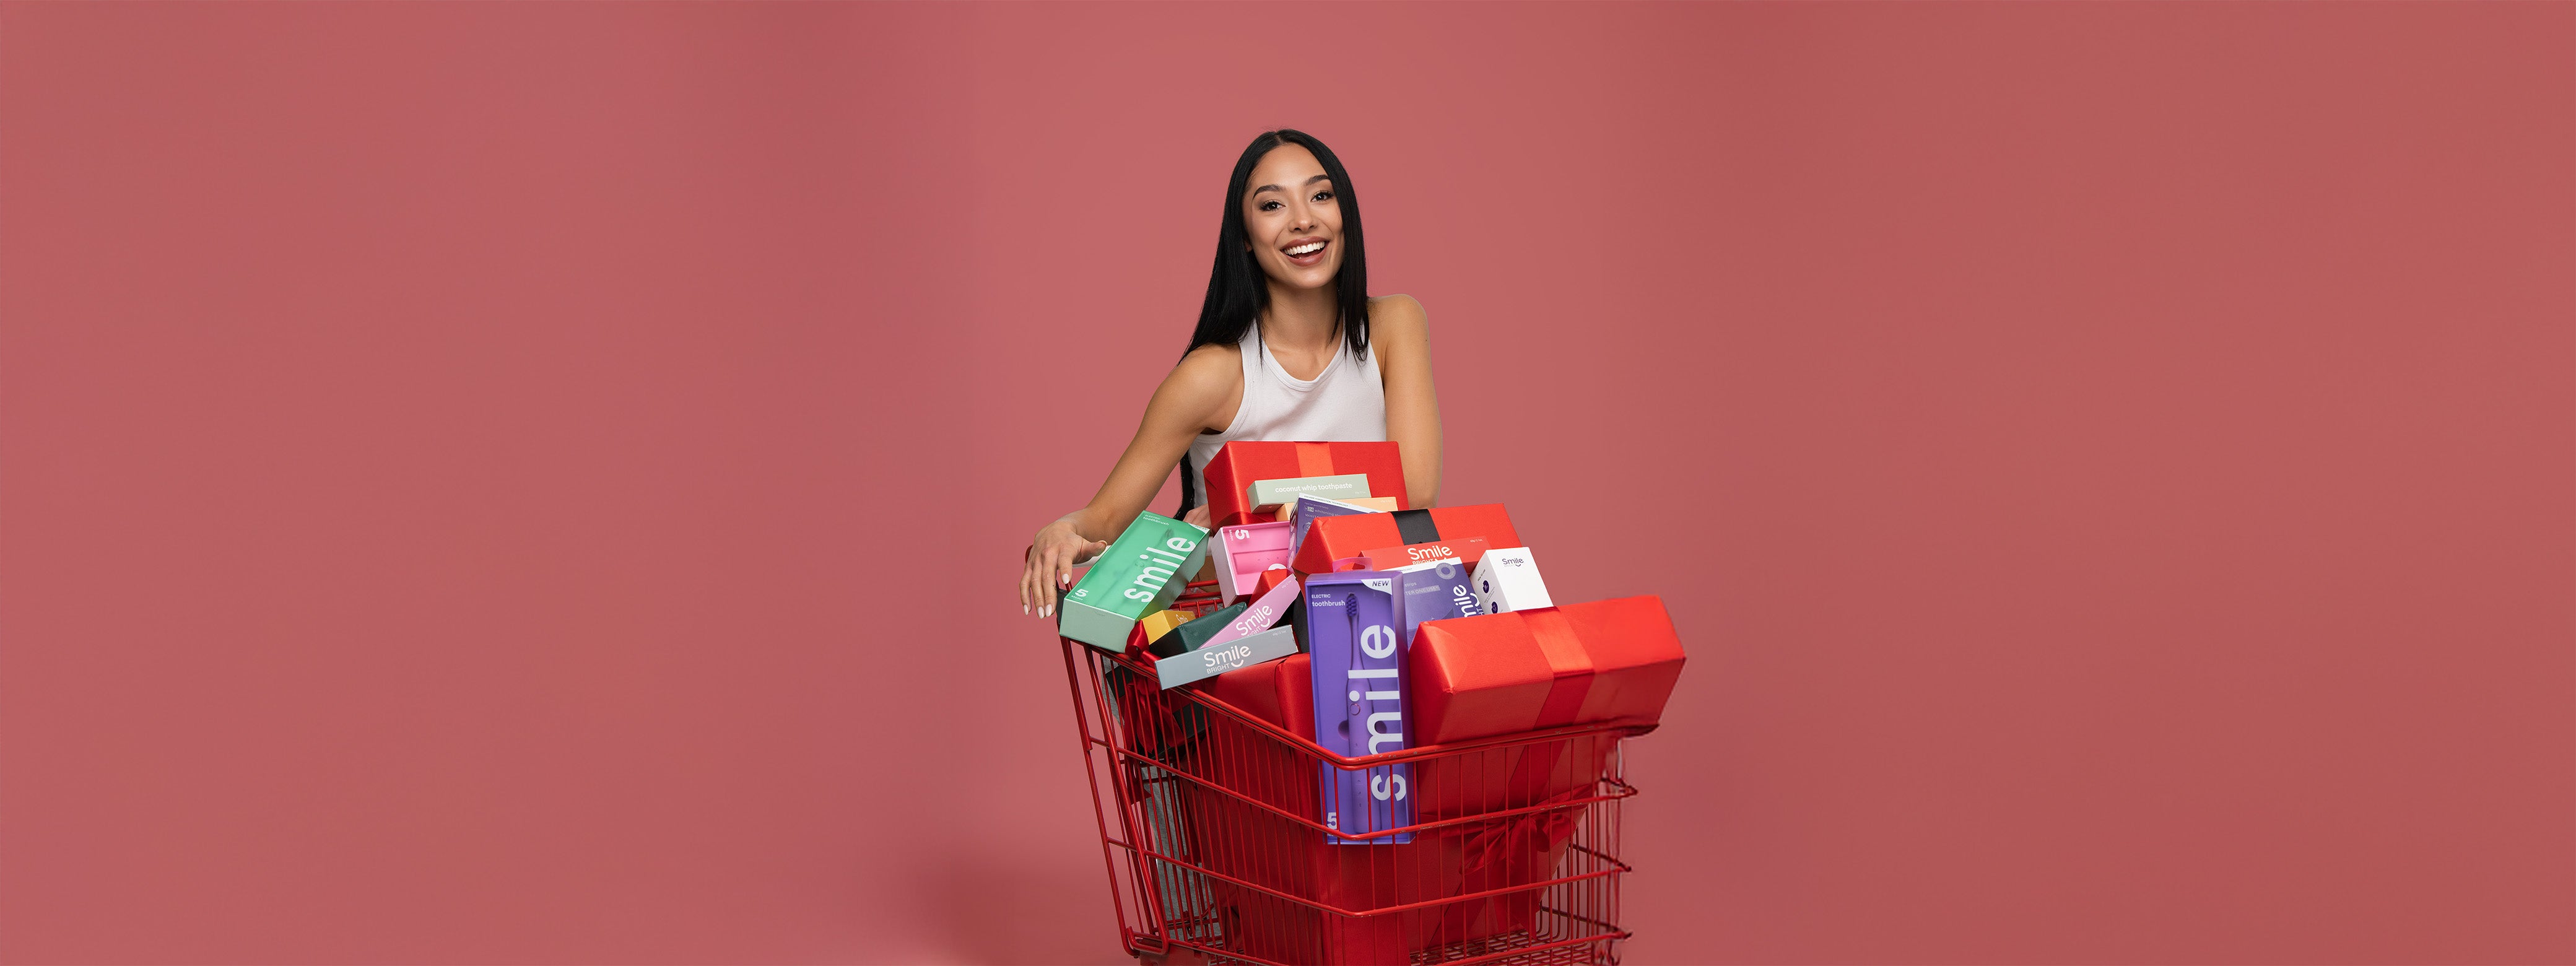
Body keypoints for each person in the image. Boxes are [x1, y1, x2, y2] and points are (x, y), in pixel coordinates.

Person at [1020, 129, 1443, 617]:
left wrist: (1248, 502)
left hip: (1365, 616)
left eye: (1321, 196)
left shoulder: (1394, 325)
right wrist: (1062, 531)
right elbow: (1107, 517)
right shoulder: (1212, 377)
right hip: (1237, 631)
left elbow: (1414, 491)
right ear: (1244, 236)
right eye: (1272, 205)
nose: (1303, 220)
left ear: (1345, 211)